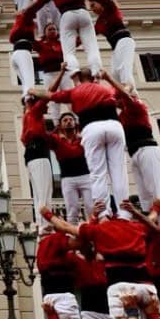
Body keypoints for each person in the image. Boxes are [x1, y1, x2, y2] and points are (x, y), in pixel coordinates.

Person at [31, 68, 128, 220]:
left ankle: (103, 213)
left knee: (98, 173)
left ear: (78, 78)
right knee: (118, 172)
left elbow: (49, 95)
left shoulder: (74, 92)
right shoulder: (105, 89)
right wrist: (109, 78)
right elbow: (124, 90)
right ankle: (125, 213)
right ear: (92, 77)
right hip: (114, 125)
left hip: (92, 128)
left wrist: (32, 90)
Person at [103, 71, 160, 226]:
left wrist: (108, 79)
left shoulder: (137, 105)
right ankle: (149, 222)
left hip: (147, 149)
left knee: (155, 189)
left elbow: (126, 96)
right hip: (134, 153)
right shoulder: (123, 116)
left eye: (118, 98)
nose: (116, 101)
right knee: (144, 194)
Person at [20, 0, 102, 77]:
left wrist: (25, 13)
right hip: (83, 13)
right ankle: (97, 73)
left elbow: (38, 3)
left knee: (69, 52)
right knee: (92, 47)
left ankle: (74, 74)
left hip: (67, 15)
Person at [47, 112, 92, 224]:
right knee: (72, 209)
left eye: (70, 120)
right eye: (65, 120)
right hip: (68, 179)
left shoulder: (83, 139)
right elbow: (46, 138)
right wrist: (56, 128)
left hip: (85, 176)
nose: (68, 122)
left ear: (75, 123)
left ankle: (94, 232)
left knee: (91, 207)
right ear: (61, 125)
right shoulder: (57, 140)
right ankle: (72, 235)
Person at [87, 0, 136, 90]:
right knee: (115, 73)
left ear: (99, 2)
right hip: (115, 47)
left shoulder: (110, 9)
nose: (92, 9)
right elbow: (88, 36)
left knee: (124, 67)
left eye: (93, 5)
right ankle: (122, 94)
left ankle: (129, 89)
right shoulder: (99, 23)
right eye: (91, 8)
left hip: (124, 41)